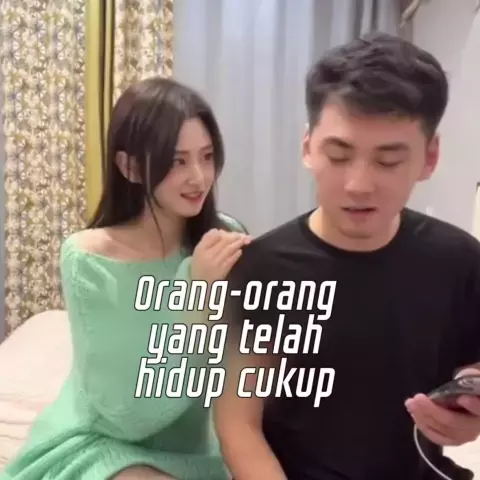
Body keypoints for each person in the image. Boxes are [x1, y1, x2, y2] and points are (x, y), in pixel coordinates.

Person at [215, 33, 480, 480]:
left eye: (388, 161)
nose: (358, 185)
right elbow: (238, 424)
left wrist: (468, 409)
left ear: (429, 156)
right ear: (308, 147)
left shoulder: (460, 261)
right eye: (338, 156)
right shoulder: (263, 269)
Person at [1, 77, 250, 480]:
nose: (199, 177)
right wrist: (196, 293)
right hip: (106, 443)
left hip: (197, 451)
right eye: (177, 161)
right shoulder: (89, 259)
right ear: (129, 167)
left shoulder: (221, 237)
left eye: (206, 157)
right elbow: (128, 416)